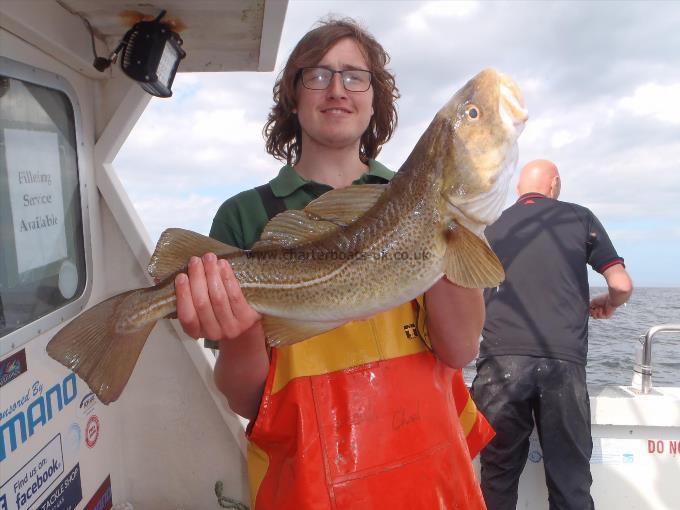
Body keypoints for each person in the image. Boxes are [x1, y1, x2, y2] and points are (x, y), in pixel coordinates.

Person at [173, 17, 493, 510]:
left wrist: (451, 224)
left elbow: (460, 347)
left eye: (354, 75)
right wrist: (240, 330)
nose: (337, 89)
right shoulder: (244, 215)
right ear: (293, 96)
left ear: (374, 98)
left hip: (431, 484)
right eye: (317, 75)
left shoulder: (414, 196)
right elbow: (245, 399)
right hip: (309, 488)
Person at [471, 159, 634, 510]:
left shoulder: (490, 225)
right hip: (563, 363)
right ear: (554, 185)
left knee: (497, 478)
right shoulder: (579, 217)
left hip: (501, 363)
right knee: (570, 481)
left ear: (518, 191)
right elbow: (621, 283)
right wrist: (610, 303)